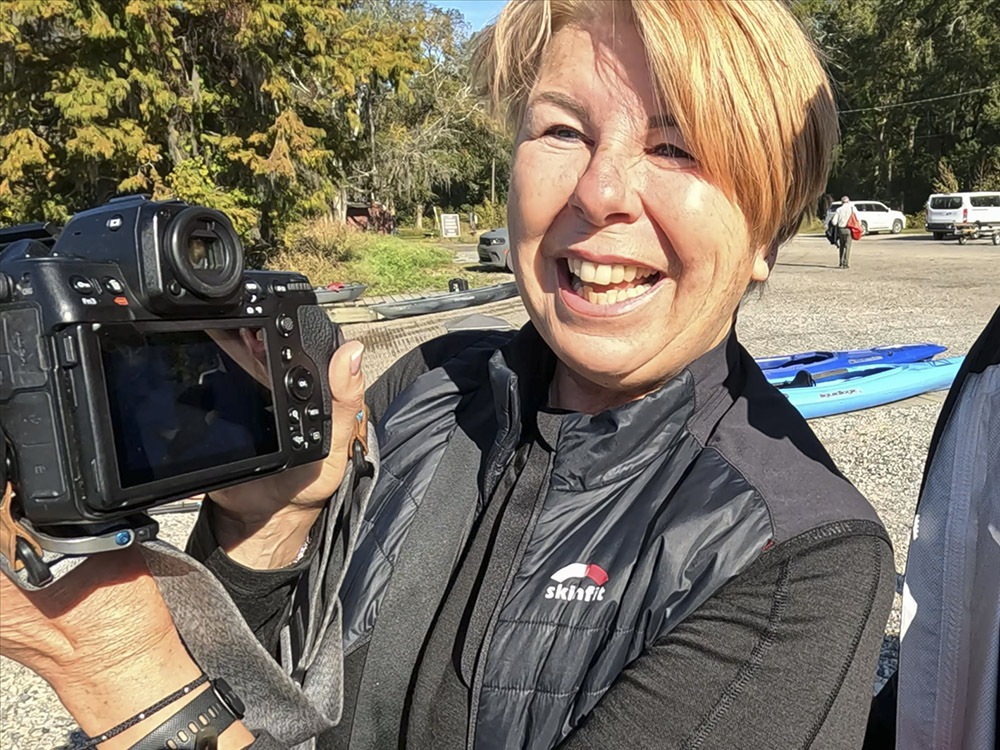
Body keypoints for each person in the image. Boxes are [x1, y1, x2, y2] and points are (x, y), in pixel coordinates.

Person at [0, 2, 896, 749]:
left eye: (675, 147)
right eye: (563, 130)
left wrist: (115, 663)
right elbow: (270, 714)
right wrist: (264, 535)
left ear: (769, 234)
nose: (598, 192)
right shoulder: (430, 388)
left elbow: (155, 696)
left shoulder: (802, 561)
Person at [831, 195, 858, 268]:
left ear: (842, 202)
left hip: (841, 229)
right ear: (848, 202)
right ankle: (846, 263)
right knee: (848, 246)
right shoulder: (852, 209)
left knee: (842, 246)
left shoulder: (839, 210)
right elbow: (857, 219)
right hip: (849, 229)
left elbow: (834, 222)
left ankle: (841, 262)